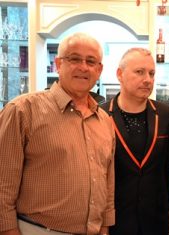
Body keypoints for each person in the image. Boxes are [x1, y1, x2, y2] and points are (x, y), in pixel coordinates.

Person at [0, 32, 115, 235]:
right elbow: (3, 184)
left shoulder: (104, 121)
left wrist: (105, 227)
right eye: (74, 59)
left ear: (99, 70)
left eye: (91, 61)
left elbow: (108, 183)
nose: (83, 67)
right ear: (58, 63)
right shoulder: (22, 110)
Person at [100, 48, 169, 235]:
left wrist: (164, 208)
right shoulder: (99, 115)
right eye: (139, 72)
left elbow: (168, 169)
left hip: (155, 221)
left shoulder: (165, 114)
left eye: (151, 73)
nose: (148, 79)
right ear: (120, 74)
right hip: (115, 221)